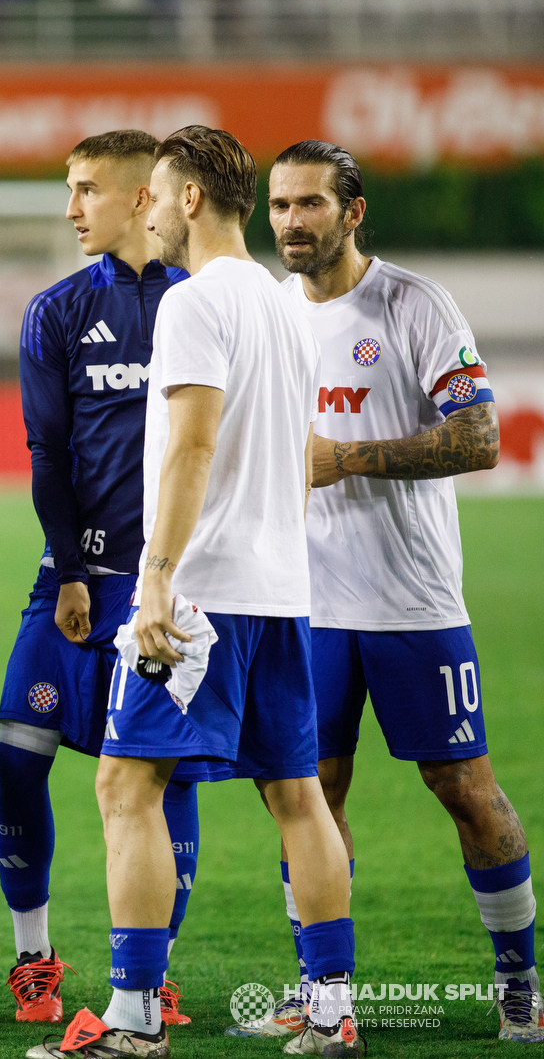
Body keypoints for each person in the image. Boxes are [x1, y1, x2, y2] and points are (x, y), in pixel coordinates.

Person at [35, 126, 361, 1059]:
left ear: (183, 200)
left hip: (202, 598)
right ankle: (333, 1015)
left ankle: (134, 1020)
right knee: (297, 793)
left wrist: (158, 582)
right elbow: (297, 459)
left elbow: (191, 446)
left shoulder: (192, 303)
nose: (147, 212)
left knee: (123, 784)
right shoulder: (283, 304)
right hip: (281, 592)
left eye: (156, 194)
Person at [258, 138, 539, 1045]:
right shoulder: (269, 312)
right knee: (308, 793)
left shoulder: (414, 304)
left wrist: (346, 460)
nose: (292, 223)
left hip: (413, 605)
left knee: (463, 785)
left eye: (309, 205)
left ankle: (519, 983)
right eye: (279, 206)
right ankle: (322, 995)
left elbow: (480, 438)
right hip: (306, 607)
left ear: (354, 209)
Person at [0, 130, 206, 1027]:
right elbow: (46, 454)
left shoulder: (199, 306)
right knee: (16, 760)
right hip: (75, 577)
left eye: (85, 190)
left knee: (164, 781)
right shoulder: (57, 311)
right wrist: (71, 571)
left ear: (136, 199)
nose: (71, 207)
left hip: (175, 585)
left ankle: (150, 980)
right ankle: (34, 959)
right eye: (68, 189)